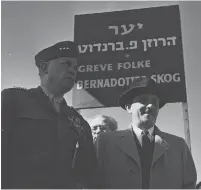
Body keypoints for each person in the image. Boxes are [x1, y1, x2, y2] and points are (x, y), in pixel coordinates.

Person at [1, 41, 98, 189]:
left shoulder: (79, 121)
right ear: (44, 68)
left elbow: (87, 172)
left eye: (75, 67)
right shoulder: (14, 100)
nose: (73, 71)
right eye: (66, 64)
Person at [96, 77, 197, 189]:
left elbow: (189, 185)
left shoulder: (178, 146)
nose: (150, 106)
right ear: (129, 107)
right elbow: (92, 183)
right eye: (143, 100)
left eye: (155, 102)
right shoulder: (105, 142)